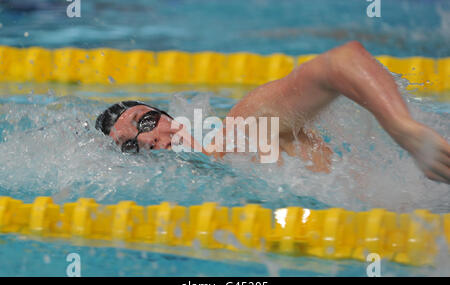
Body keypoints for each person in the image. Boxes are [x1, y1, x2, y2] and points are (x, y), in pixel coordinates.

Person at [95, 41, 450, 184]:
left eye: (145, 122)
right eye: (132, 146)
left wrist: (402, 129)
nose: (150, 141)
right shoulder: (226, 176)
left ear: (169, 115)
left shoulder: (242, 128)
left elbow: (343, 61)